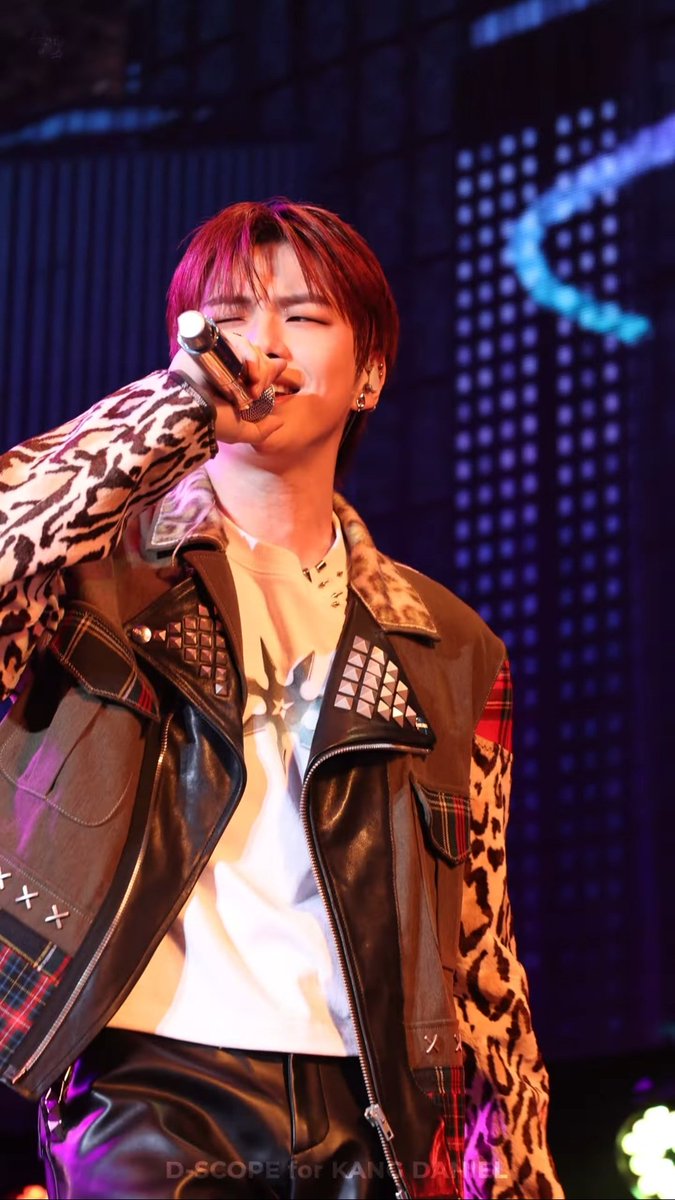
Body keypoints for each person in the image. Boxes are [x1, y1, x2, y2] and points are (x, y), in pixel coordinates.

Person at [0, 198, 562, 1200]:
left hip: (373, 1105)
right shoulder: (100, 567)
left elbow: (480, 944)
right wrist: (171, 413)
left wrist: (517, 1170)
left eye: (302, 316)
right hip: (149, 1079)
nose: (262, 344)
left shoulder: (447, 643)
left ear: (370, 372)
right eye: (229, 318)